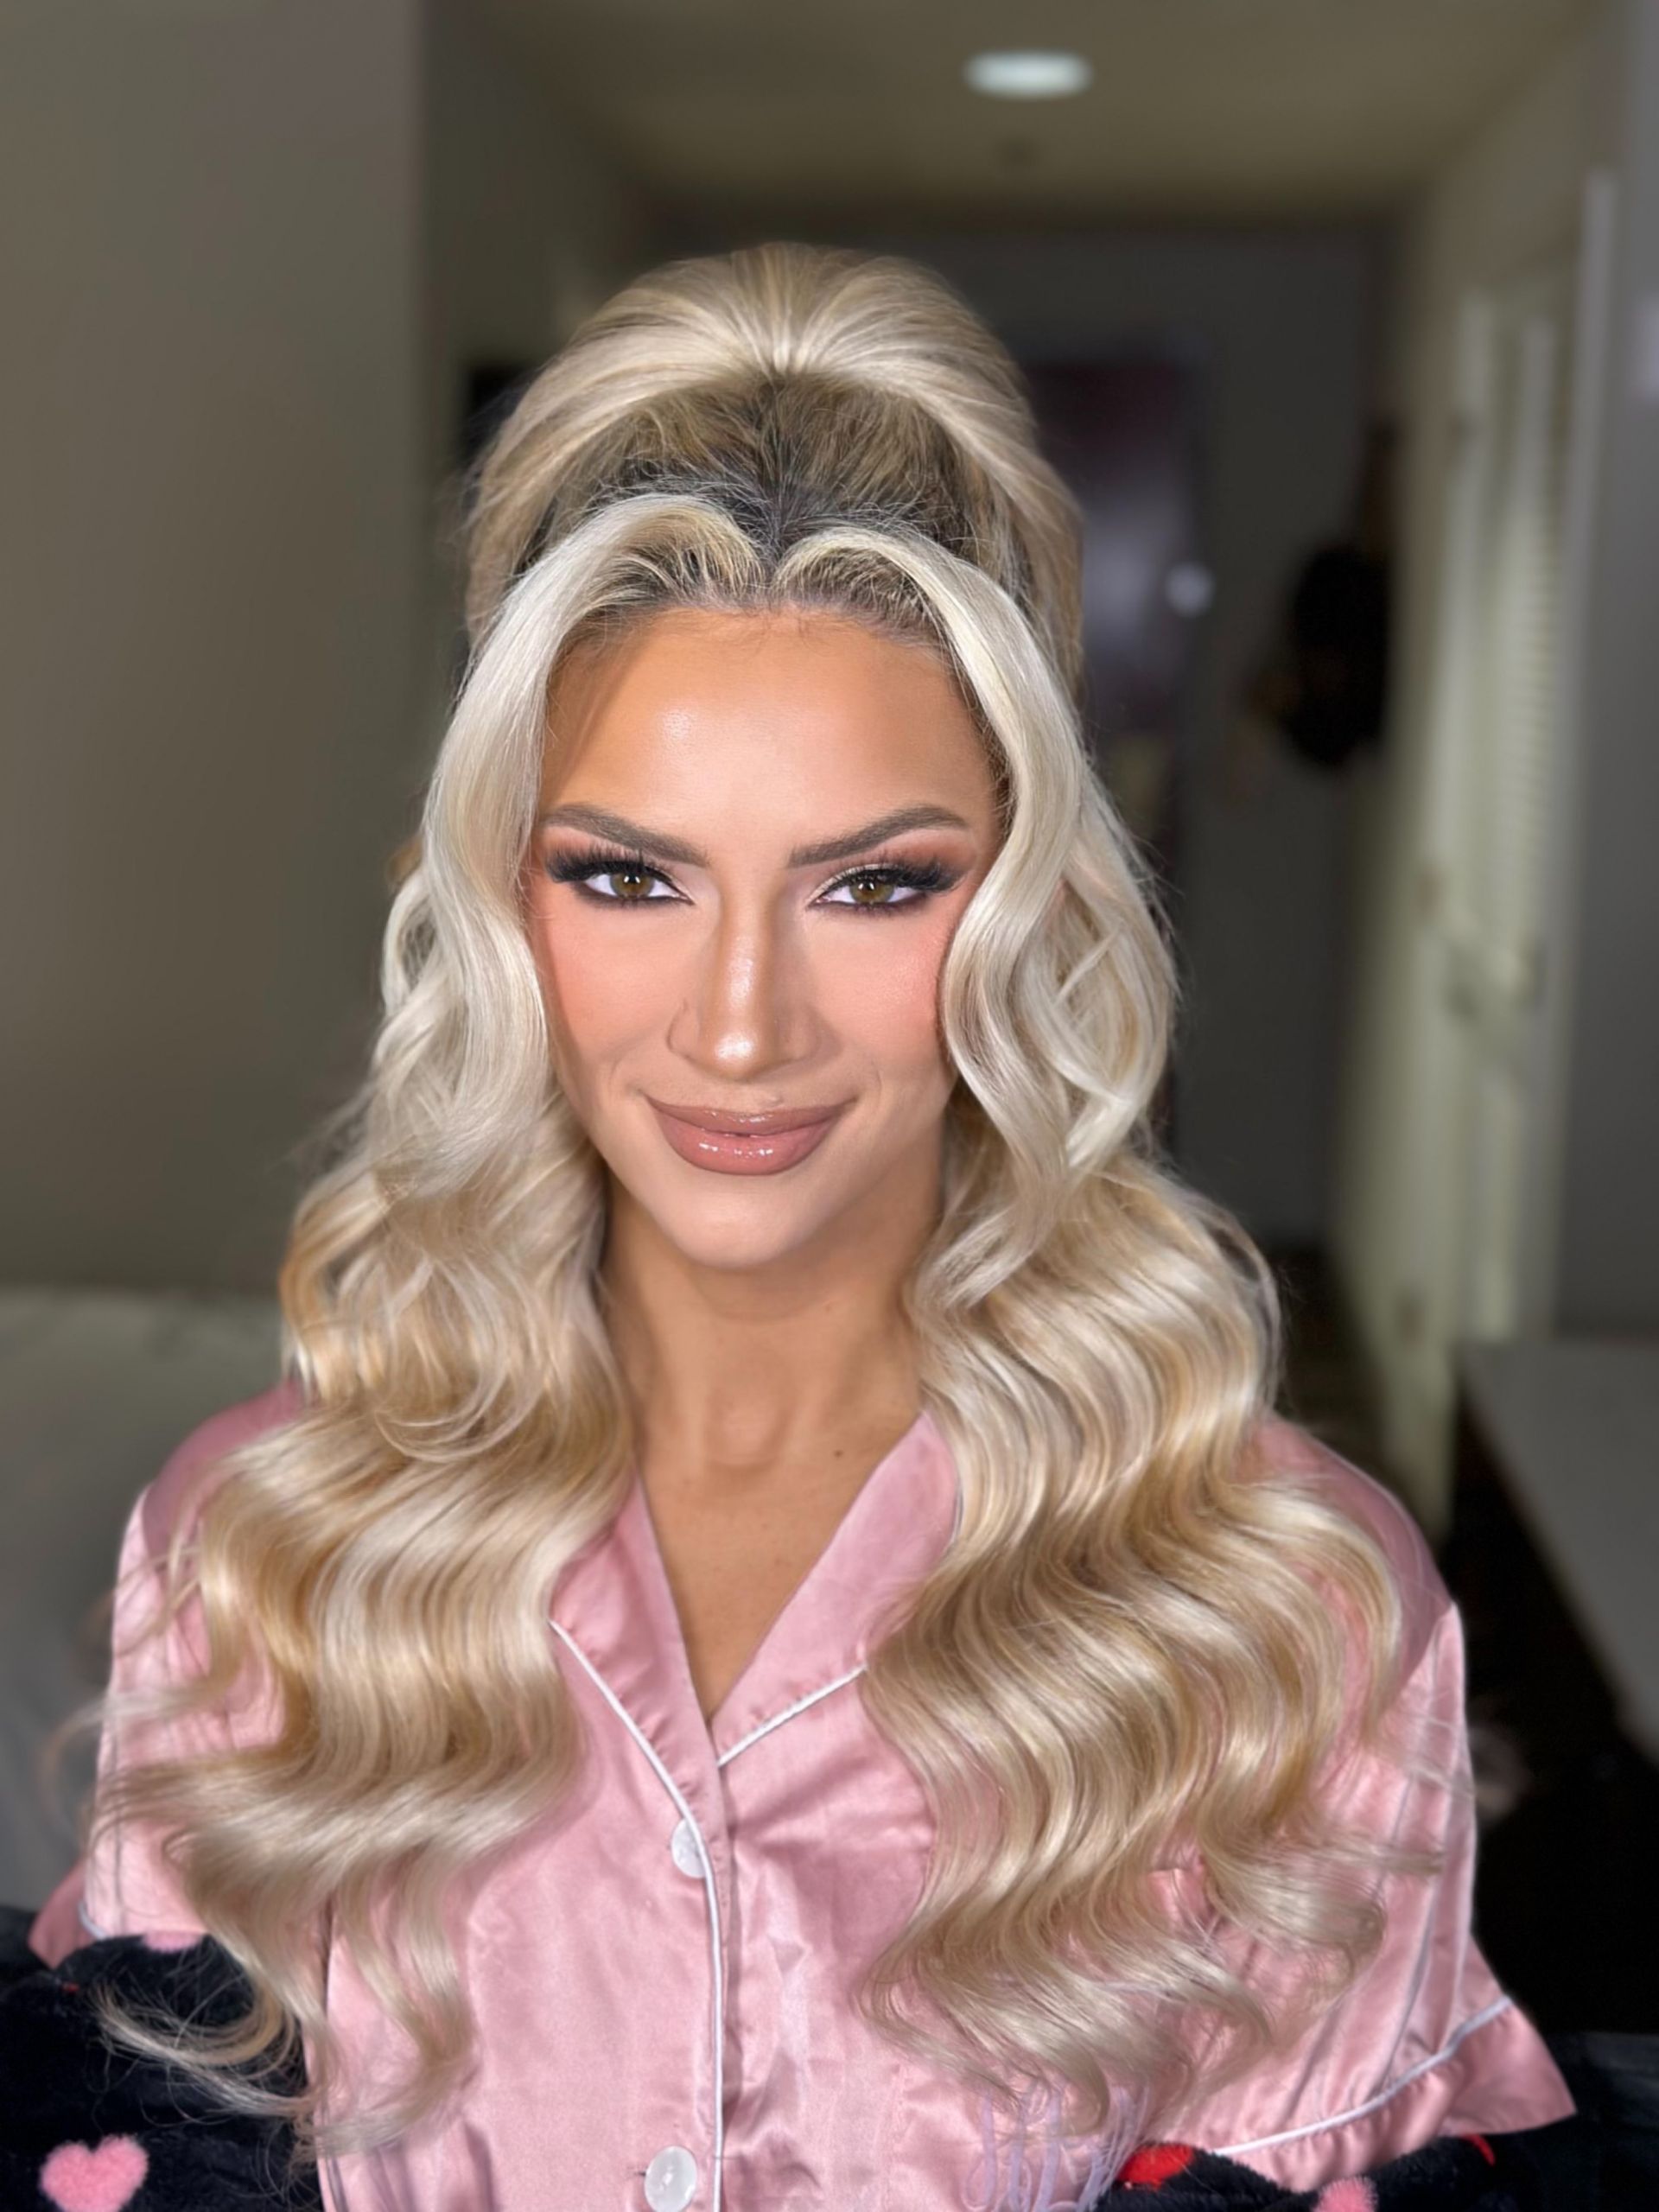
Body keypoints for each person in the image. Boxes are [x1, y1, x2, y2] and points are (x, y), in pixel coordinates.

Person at [20, 243, 1574, 2212]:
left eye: (873, 886)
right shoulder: (260, 1551)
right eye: (628, 877)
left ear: (1025, 905)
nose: (741, 1027)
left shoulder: (1280, 1615)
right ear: (502, 905)